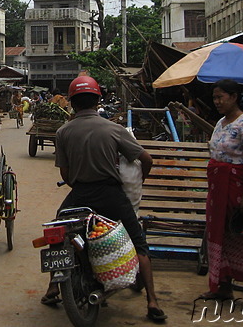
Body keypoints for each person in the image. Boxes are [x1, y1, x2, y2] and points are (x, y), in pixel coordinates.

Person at [41, 76, 166, 322]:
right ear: (98, 100)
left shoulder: (63, 132)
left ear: (72, 103)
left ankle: (53, 287)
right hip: (111, 195)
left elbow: (64, 174)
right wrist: (140, 181)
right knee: (138, 241)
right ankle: (152, 301)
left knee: (58, 233)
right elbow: (146, 160)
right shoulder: (114, 129)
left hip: (79, 195)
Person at [198, 79, 243, 310]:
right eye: (214, 98)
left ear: (234, 97)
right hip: (217, 189)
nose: (216, 102)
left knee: (242, 236)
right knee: (219, 235)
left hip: (237, 187)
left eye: (220, 97)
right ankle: (223, 288)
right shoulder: (221, 123)